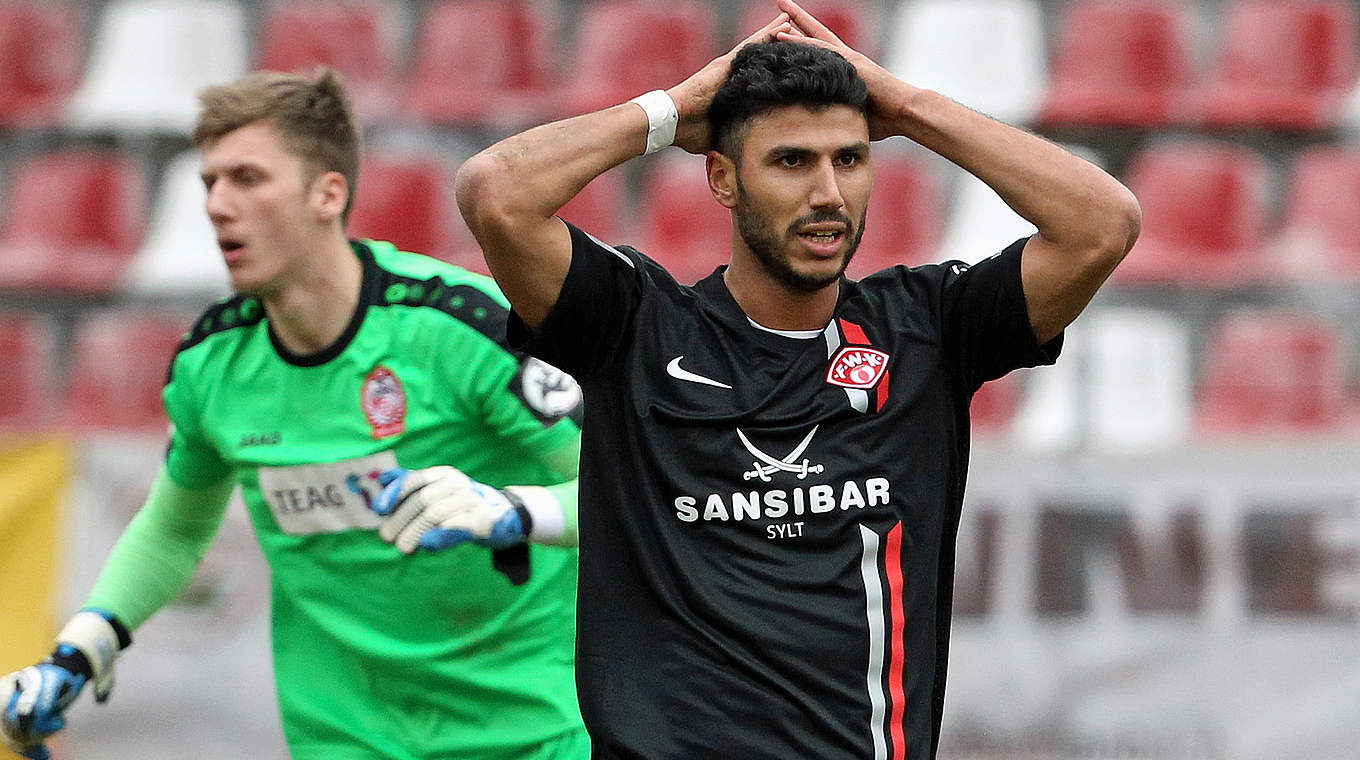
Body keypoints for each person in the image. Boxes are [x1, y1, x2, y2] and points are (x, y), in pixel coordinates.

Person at [452, 1, 1141, 758]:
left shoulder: (928, 330)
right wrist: (671, 110)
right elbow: (496, 193)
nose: (829, 194)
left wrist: (909, 108)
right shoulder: (636, 327)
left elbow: (1103, 223)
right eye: (791, 161)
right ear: (722, 178)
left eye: (848, 158)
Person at [1, 68, 590, 760]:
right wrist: (82, 646)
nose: (218, 205)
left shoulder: (464, 327)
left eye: (247, 179)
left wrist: (508, 510)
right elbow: (174, 527)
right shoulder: (212, 364)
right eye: (209, 182)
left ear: (327, 194)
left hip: (529, 732)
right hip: (342, 738)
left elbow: (626, 489)